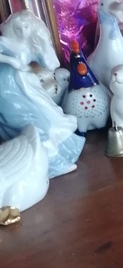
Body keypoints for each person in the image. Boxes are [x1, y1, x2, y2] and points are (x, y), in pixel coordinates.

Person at [0, 10, 85, 177]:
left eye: (26, 27)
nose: (22, 31)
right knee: (30, 123)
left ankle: (51, 161)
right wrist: (11, 61)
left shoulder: (30, 47)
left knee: (47, 120)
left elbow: (52, 65)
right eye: (18, 28)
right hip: (6, 89)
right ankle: (53, 165)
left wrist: (44, 43)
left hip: (25, 89)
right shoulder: (5, 42)